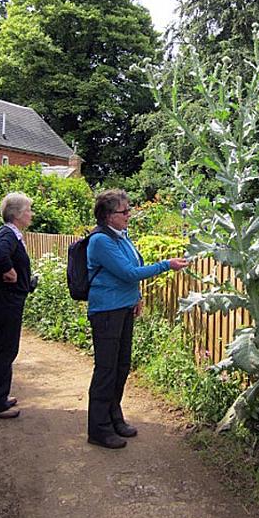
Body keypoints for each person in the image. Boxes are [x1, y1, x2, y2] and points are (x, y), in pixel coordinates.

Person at [87, 189, 189, 449]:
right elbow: (129, 272)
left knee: (121, 367)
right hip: (107, 311)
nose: (129, 215)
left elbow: (131, 272)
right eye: (125, 211)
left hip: (123, 308)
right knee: (106, 370)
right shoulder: (101, 241)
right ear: (109, 216)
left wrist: (136, 297)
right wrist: (167, 264)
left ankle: (114, 417)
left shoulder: (121, 237)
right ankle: (98, 429)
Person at [0, 192, 35, 419]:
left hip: (2, 299)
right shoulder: (8, 235)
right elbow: (0, 255)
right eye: (28, 210)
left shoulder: (8, 233)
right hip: (7, 301)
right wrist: (10, 271)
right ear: (18, 214)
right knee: (6, 349)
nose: (31, 214)